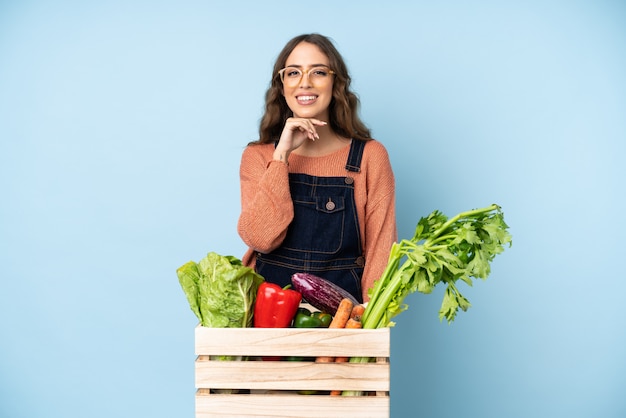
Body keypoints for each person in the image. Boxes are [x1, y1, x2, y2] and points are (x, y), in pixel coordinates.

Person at [237, 33, 396, 303]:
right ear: (281, 84)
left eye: (319, 72)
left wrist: (368, 325)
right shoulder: (259, 156)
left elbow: (382, 251)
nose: (305, 83)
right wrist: (282, 156)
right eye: (293, 72)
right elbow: (260, 238)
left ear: (335, 83)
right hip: (266, 320)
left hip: (341, 321)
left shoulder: (370, 156)